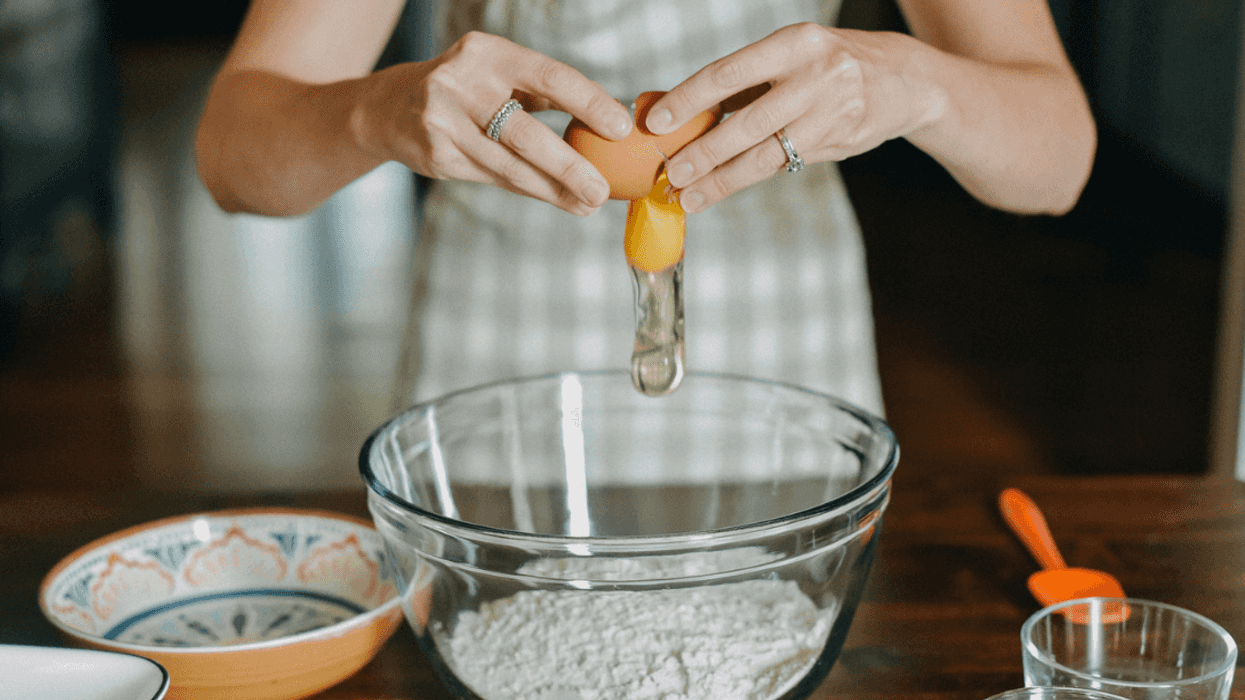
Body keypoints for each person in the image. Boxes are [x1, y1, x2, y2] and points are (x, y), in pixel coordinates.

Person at [195, 0, 1095, 415]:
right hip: (499, 363)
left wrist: (915, 83)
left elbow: (1057, 161)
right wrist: (374, 111)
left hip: (787, 357)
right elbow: (234, 159)